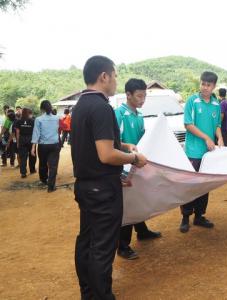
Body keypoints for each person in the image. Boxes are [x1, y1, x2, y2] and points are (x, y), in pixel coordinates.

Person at [71, 55, 147, 300]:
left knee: (87, 242)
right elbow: (105, 154)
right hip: (102, 191)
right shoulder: (102, 107)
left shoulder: (81, 105)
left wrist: (123, 146)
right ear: (103, 76)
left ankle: (88, 294)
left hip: (86, 186)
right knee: (103, 248)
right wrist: (134, 159)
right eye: (114, 76)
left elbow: (94, 147)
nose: (116, 81)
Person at [114, 78, 161, 260]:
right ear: (128, 95)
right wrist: (127, 146)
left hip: (137, 164)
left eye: (144, 96)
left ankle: (142, 231)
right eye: (139, 96)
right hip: (123, 165)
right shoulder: (119, 114)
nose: (142, 99)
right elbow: (112, 142)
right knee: (127, 205)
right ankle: (123, 246)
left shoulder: (139, 116)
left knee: (138, 198)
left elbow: (142, 141)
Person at [179, 71, 223, 233]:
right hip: (193, 151)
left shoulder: (216, 104)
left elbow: (217, 124)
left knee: (205, 185)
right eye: (202, 83)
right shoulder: (192, 101)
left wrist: (219, 138)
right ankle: (185, 217)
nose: (204, 87)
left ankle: (199, 216)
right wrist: (206, 138)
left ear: (214, 87)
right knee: (190, 185)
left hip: (209, 153)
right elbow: (188, 124)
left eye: (208, 85)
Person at [31, 100, 60, 192]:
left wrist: (33, 148)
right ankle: (51, 186)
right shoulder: (56, 118)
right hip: (54, 145)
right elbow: (57, 130)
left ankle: (44, 180)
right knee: (53, 166)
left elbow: (36, 134)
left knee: (43, 163)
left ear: (41, 109)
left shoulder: (38, 119)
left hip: (43, 145)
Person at [15, 108, 36, 178]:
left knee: (23, 156)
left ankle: (23, 173)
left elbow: (17, 133)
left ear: (22, 113)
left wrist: (18, 142)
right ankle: (32, 170)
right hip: (31, 139)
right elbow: (34, 132)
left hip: (22, 139)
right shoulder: (32, 121)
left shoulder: (18, 121)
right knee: (32, 155)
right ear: (28, 113)